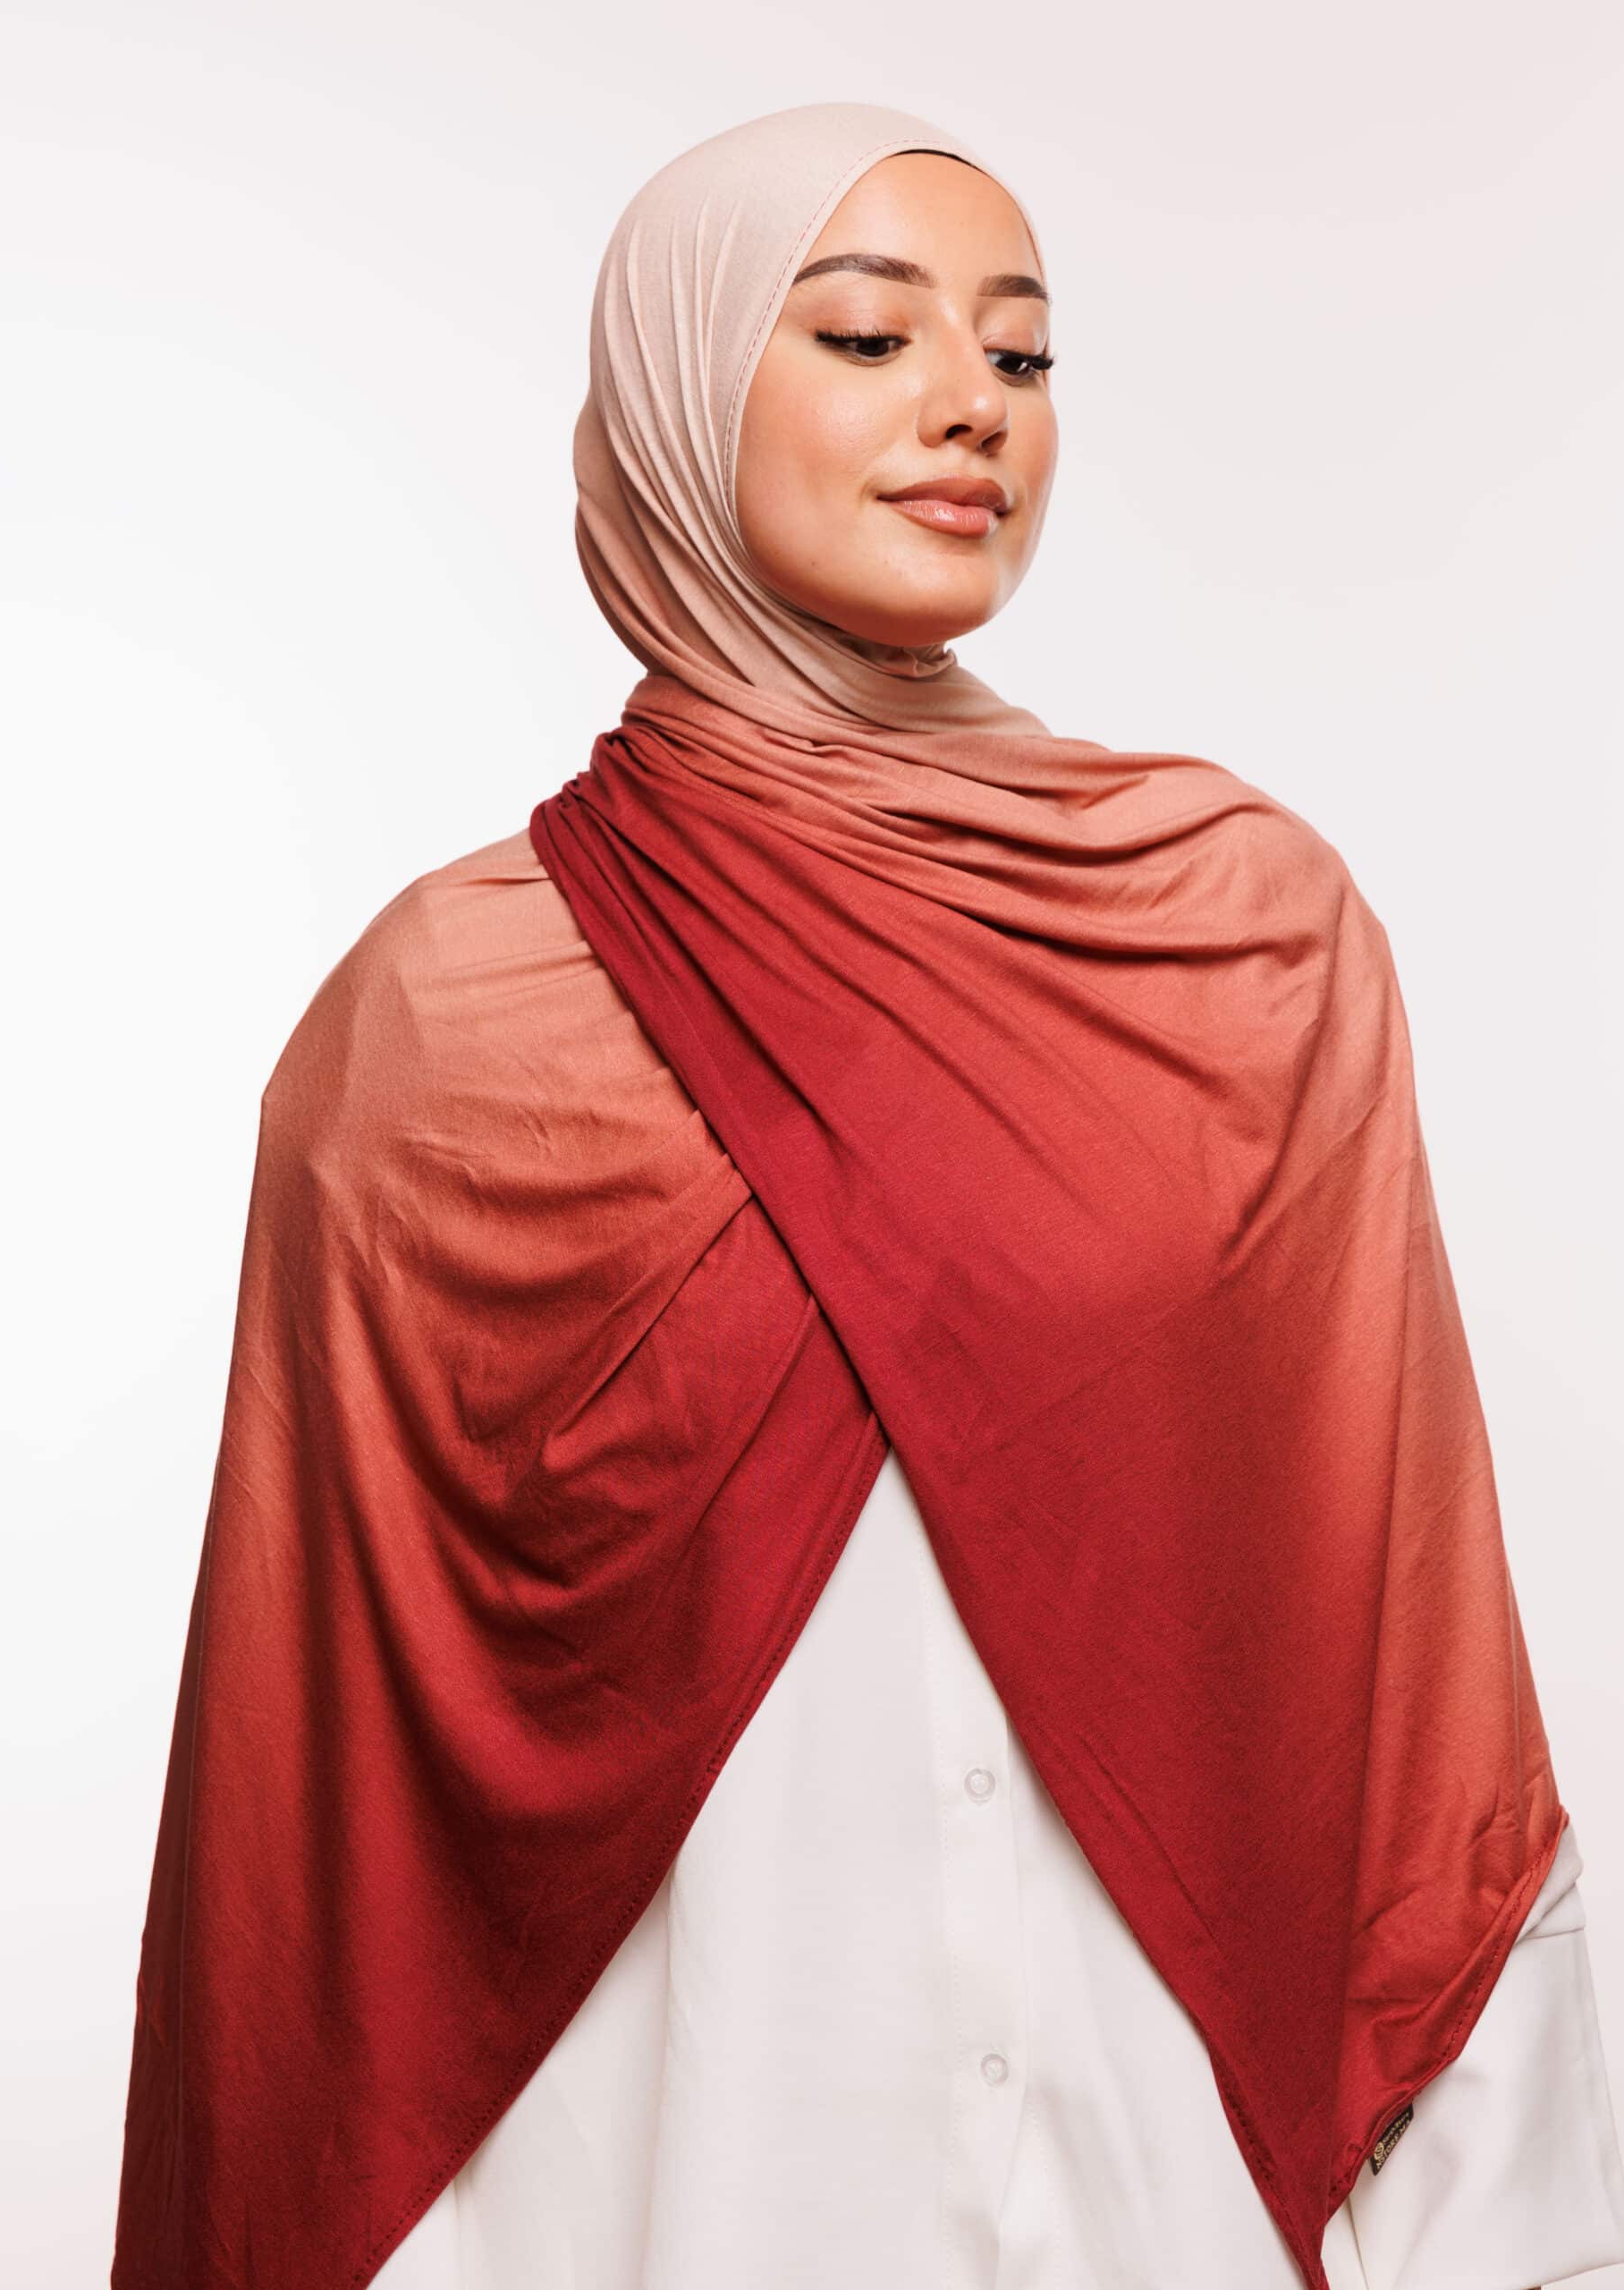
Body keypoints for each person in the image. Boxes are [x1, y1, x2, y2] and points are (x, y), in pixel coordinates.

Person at [111, 104, 1624, 2290]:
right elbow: (317, 1809)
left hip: (1153, 2191)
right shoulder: (436, 1032)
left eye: (1021, 354)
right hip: (649, 2196)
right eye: (863, 333)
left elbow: (1393, 1641)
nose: (969, 407)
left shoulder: (1236, 945)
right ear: (675, 388)